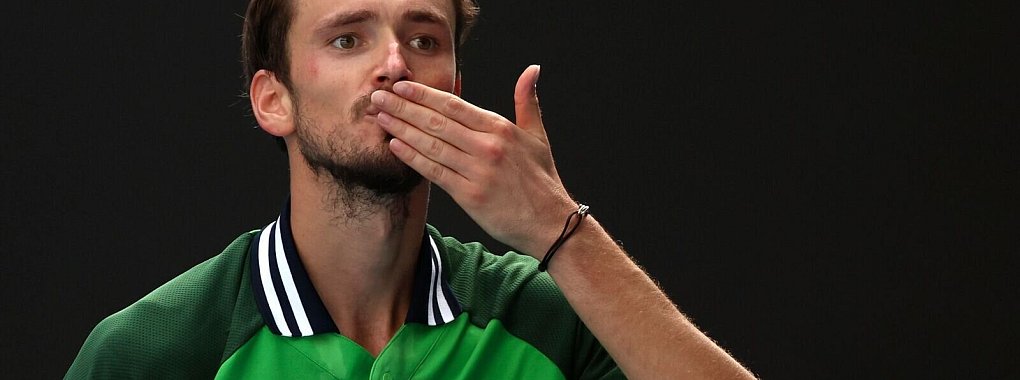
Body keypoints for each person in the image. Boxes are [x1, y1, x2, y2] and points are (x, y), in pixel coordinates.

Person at [66, 0, 755, 378]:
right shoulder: (154, 352)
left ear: (454, 89)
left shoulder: (546, 321)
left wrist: (558, 228)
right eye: (347, 39)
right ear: (274, 100)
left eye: (424, 40)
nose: (395, 64)